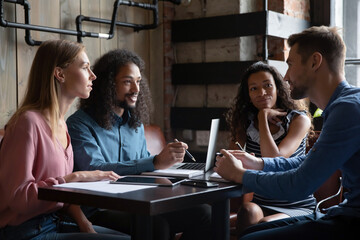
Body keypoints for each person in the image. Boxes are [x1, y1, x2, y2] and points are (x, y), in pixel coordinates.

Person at [215, 26, 360, 239]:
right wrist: (259, 164)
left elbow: (301, 184)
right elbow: (308, 160)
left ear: (314, 62)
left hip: (353, 219)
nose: (285, 76)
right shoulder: (343, 105)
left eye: (290, 64)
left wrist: (240, 175)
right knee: (254, 231)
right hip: (345, 213)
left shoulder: (348, 108)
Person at [66, 49, 211, 240]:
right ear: (107, 84)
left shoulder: (135, 125)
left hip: (138, 201)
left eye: (138, 81)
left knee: (204, 212)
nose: (136, 89)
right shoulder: (79, 124)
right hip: (99, 208)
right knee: (156, 226)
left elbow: (145, 170)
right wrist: (155, 161)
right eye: (128, 81)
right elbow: (94, 169)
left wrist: (169, 168)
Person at [0, 40, 129, 240]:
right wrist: (75, 178)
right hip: (26, 232)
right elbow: (19, 198)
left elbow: (64, 197)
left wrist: (84, 223)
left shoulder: (62, 124)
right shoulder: (26, 123)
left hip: (55, 222)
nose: (93, 76)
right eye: (85, 68)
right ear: (60, 74)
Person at [225, 61, 315, 234]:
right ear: (248, 95)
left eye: (267, 86)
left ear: (278, 89)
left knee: (265, 223)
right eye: (254, 89)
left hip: (296, 205)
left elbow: (274, 160)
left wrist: (263, 117)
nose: (262, 93)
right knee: (248, 211)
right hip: (263, 202)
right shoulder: (246, 122)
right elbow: (231, 158)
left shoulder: (299, 120)